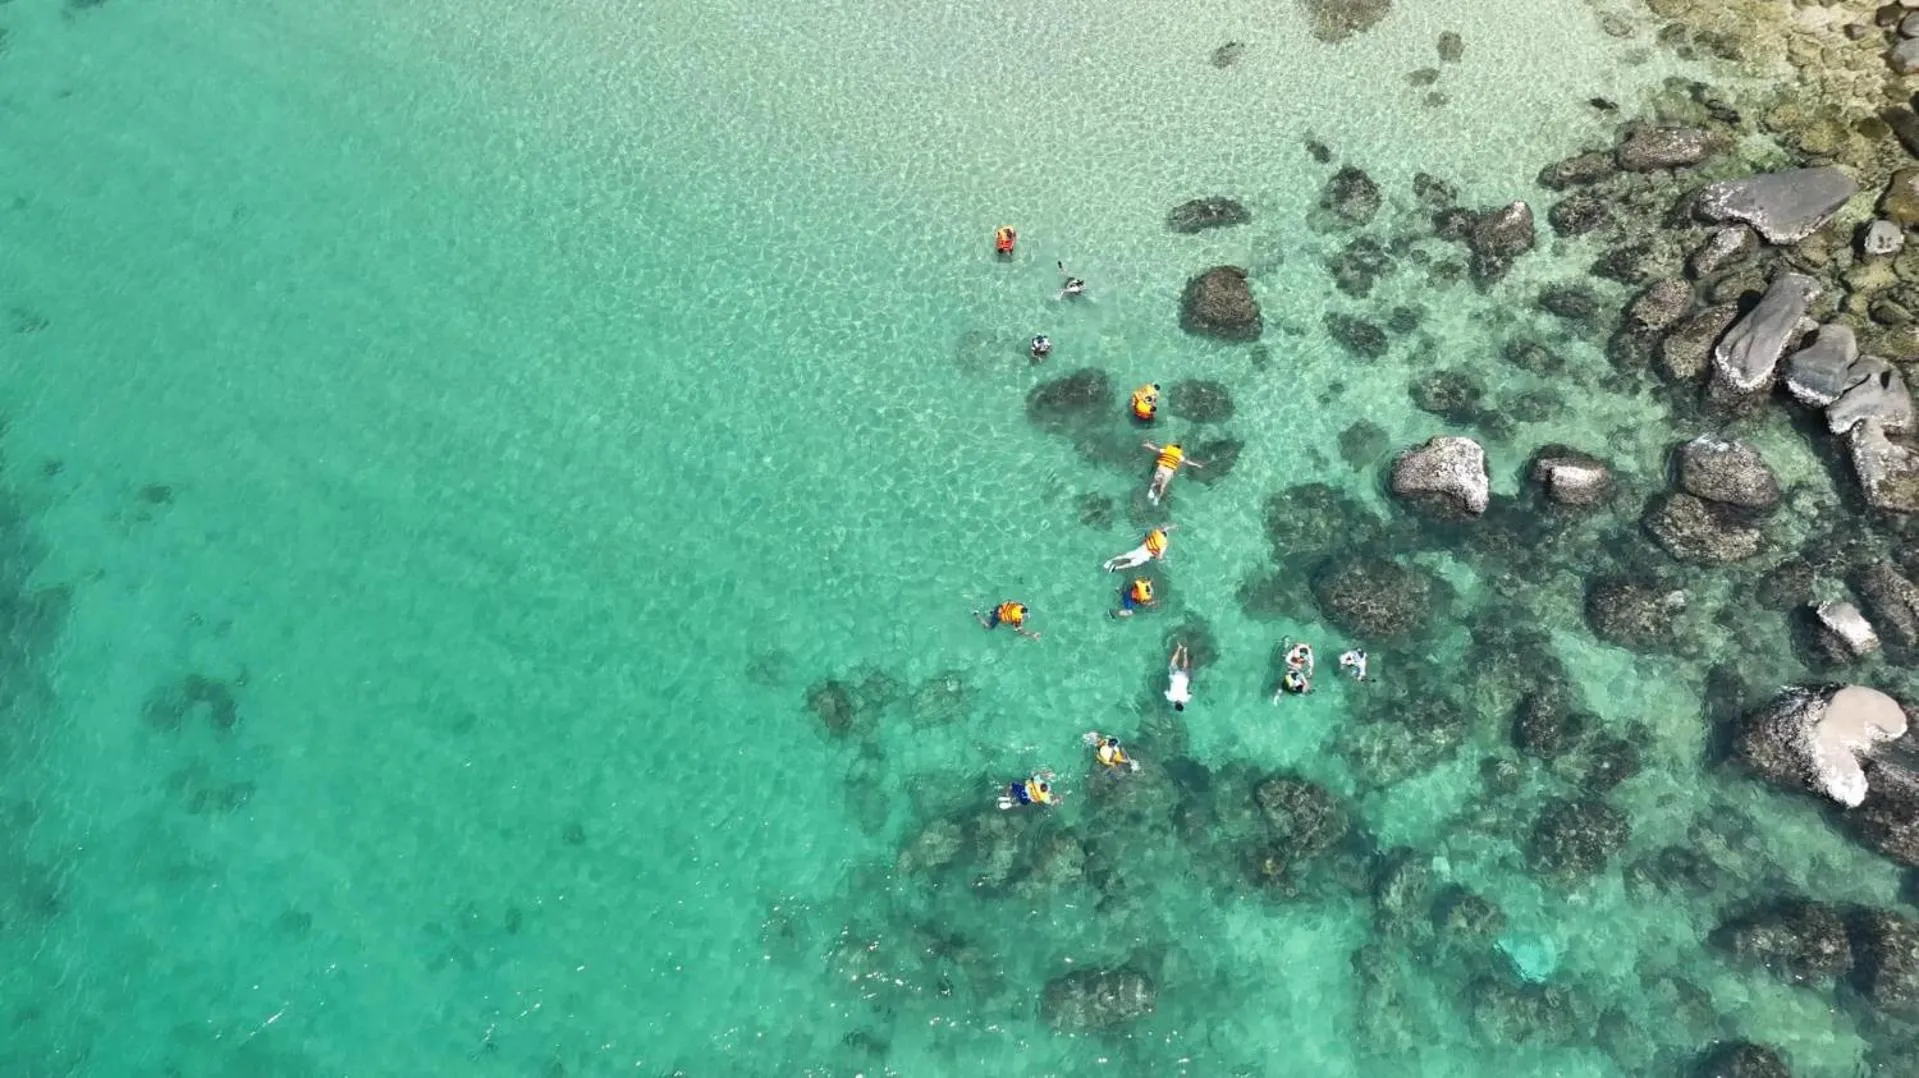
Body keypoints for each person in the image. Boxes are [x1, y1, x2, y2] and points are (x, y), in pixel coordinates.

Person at [1142, 441, 1203, 505]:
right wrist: (1197, 465)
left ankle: (1151, 493)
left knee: (1155, 481)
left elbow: (1155, 449)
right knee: (1163, 485)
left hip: (1162, 467)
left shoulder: (1165, 450)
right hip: (1169, 471)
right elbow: (1188, 462)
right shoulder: (1180, 456)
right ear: (1179, 450)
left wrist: (1148, 445)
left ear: (1172, 447)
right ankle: (1157, 499)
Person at [1102, 524, 1174, 572]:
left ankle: (1110, 561)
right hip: (1146, 555)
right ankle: (1116, 568)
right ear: (1166, 537)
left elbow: (1163, 529)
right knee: (1132, 564)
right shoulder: (1164, 544)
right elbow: (1159, 557)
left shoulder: (1157, 533)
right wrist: (1158, 557)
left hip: (1142, 548)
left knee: (1125, 556)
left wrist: (1171, 527)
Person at [974, 600, 1041, 640]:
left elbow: (1010, 601)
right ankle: (976, 615)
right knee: (989, 627)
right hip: (998, 615)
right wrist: (1032, 634)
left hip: (1000, 607)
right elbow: (1021, 631)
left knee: (998, 612)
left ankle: (991, 612)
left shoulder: (1019, 606)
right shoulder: (1017, 619)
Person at [1165, 641, 1192, 712]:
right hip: (1175, 677)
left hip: (1184, 679)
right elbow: (1165, 690)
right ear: (1174, 705)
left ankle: (1185, 651)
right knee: (1172, 664)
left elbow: (1190, 693)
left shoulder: (1186, 699)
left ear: (1182, 705)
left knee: (1185, 667)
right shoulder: (1170, 698)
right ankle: (1179, 648)